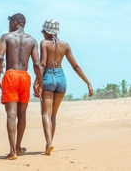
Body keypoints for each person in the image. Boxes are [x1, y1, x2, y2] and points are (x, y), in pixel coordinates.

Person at [37, 19, 93, 155]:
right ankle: (48, 144)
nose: (42, 33)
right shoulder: (65, 45)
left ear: (47, 31)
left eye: (43, 31)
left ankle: (49, 143)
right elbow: (76, 66)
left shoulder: (44, 43)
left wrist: (37, 82)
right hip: (61, 78)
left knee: (45, 114)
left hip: (48, 77)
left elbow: (42, 64)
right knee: (53, 115)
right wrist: (88, 82)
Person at [0, 13, 43, 160]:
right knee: (22, 115)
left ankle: (12, 151)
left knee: (11, 114)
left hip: (11, 76)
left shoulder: (6, 37)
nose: (9, 24)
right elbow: (36, 64)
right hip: (24, 76)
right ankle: (18, 146)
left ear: (17, 22)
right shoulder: (32, 40)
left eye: (10, 21)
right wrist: (39, 82)